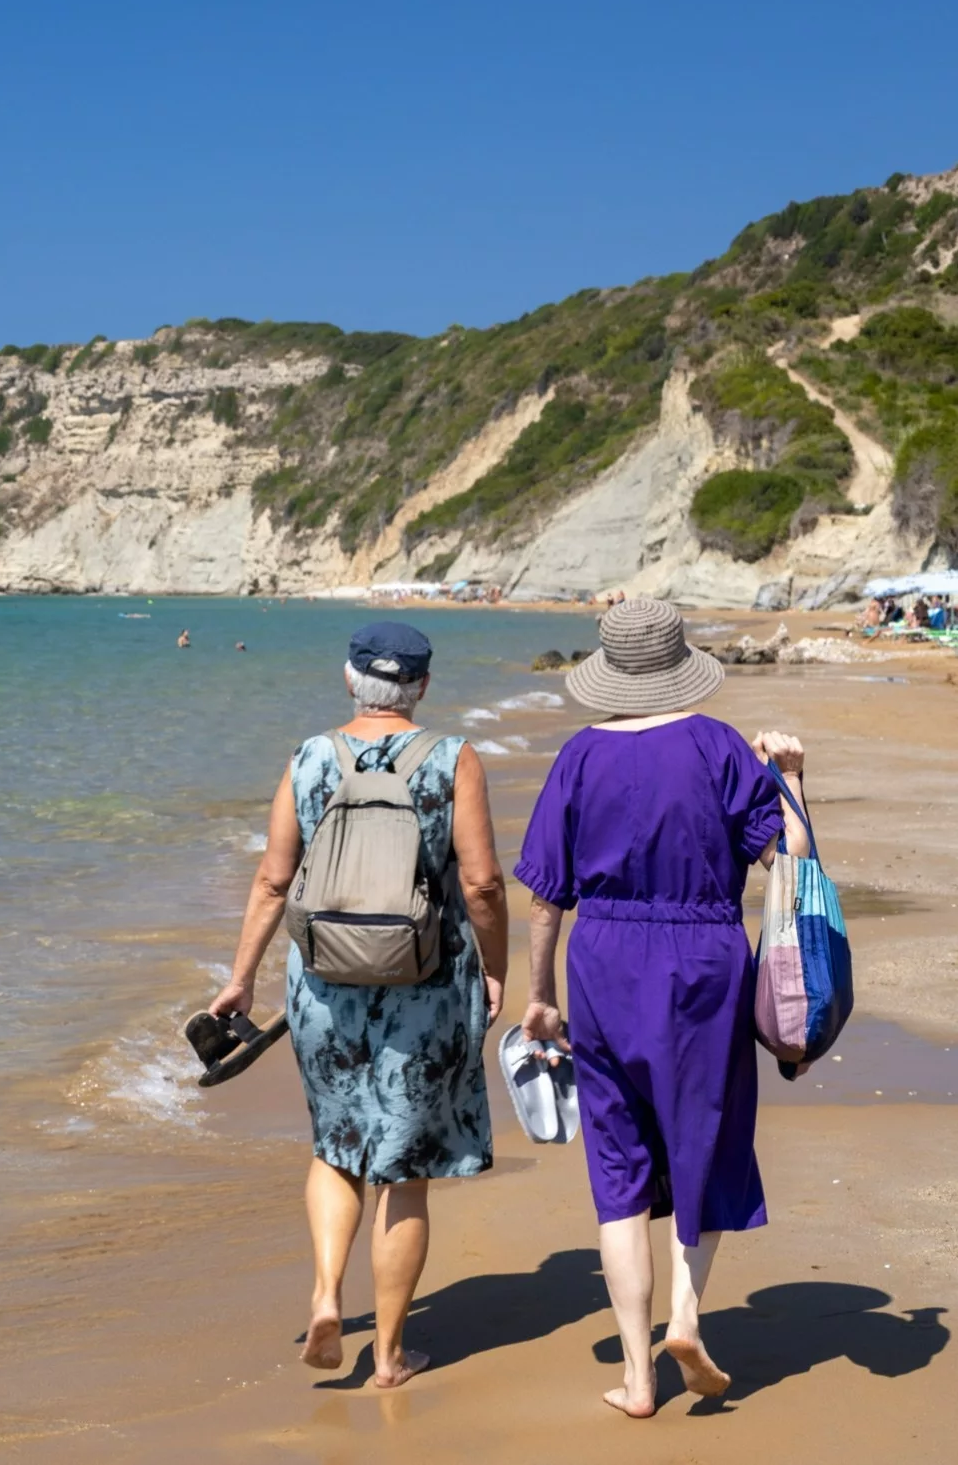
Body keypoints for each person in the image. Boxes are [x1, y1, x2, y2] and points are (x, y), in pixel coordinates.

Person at [515, 597, 811, 1418]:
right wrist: (788, 778)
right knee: (705, 1136)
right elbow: (787, 864)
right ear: (680, 663)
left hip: (602, 961)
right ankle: (685, 1318)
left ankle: (638, 1377)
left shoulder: (577, 755)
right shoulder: (717, 745)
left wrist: (540, 995)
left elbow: (544, 897)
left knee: (617, 1167)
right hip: (703, 955)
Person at [206, 621, 508, 1387]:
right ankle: (390, 1354)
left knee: (335, 1146)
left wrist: (239, 979)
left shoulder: (309, 756)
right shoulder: (451, 759)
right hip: (426, 986)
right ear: (422, 685)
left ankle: (323, 1296)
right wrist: (495, 970)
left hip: (322, 986)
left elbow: (274, 881)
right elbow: (479, 884)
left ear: (349, 678)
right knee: (402, 1169)